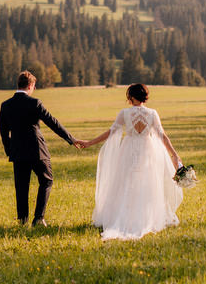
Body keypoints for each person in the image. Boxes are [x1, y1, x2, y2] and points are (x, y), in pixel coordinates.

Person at [76, 83, 184, 240]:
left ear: (131, 97)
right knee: (147, 182)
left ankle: (123, 215)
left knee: (125, 182)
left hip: (128, 150)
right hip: (148, 150)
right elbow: (162, 136)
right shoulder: (153, 113)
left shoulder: (125, 113)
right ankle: (146, 216)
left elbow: (111, 133)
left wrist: (89, 142)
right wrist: (174, 154)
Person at [0, 70, 79, 226]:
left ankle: (23, 220)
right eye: (34, 86)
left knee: (21, 187)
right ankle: (39, 218)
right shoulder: (35, 103)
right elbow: (52, 122)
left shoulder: (6, 105)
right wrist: (71, 139)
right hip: (37, 150)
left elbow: (3, 132)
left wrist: (10, 151)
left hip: (17, 152)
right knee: (47, 181)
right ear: (30, 85)